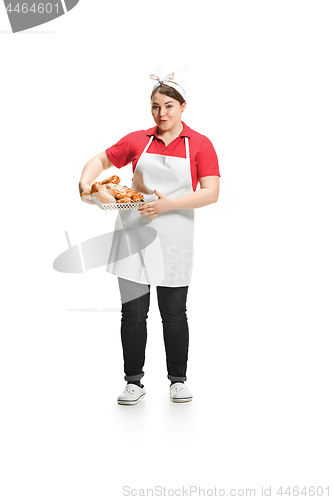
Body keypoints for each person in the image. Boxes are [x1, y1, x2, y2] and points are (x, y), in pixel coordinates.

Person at [78, 73, 220, 405]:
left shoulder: (200, 144)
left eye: (169, 106)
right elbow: (100, 160)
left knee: (174, 312)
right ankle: (133, 382)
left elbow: (211, 193)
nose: (162, 114)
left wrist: (170, 204)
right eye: (155, 106)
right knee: (132, 313)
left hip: (175, 238)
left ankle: (177, 380)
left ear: (183, 107)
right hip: (133, 233)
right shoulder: (137, 140)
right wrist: (85, 186)